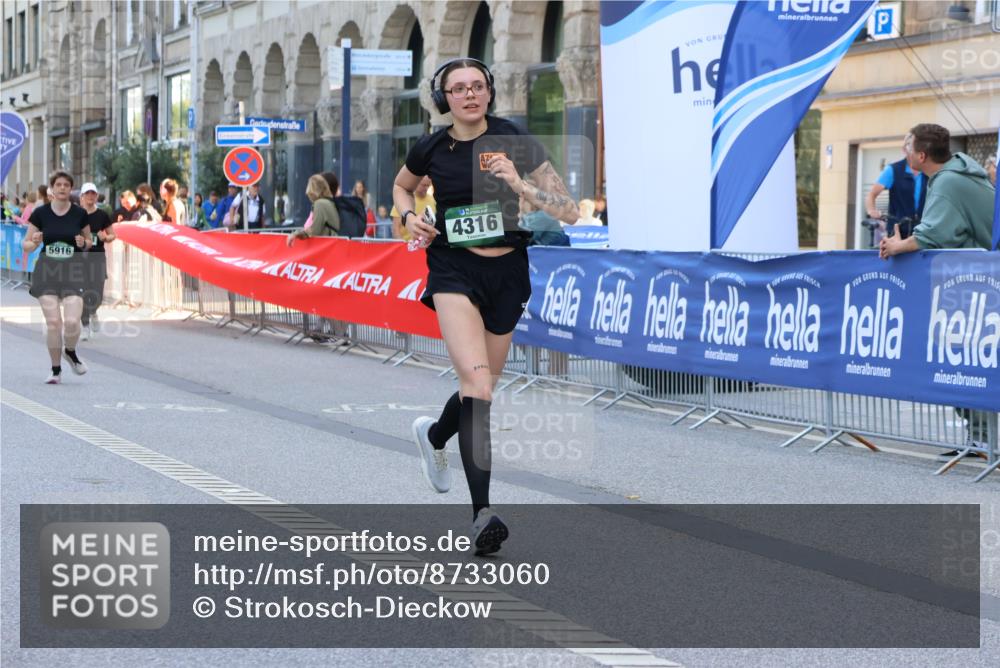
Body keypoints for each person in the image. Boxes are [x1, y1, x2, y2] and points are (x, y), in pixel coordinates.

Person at [394, 57, 578, 555]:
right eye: (458, 89)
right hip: (453, 269)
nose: (469, 95)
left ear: (490, 93)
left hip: (508, 273)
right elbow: (402, 186)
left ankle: (434, 435)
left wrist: (520, 185)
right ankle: (483, 514)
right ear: (444, 98)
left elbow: (570, 211)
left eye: (478, 86)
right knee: (477, 385)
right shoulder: (432, 146)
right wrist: (411, 217)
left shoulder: (515, 139)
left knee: (483, 389)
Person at [879, 123, 995, 460]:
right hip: (972, 282)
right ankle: (980, 438)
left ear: (921, 155)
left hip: (977, 286)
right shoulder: (953, 175)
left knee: (962, 359)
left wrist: (898, 246)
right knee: (964, 359)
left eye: (908, 145)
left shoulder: (947, 182)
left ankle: (983, 438)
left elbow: (933, 234)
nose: (904, 151)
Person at [22, 171, 92, 384]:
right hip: (47, 272)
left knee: (71, 322)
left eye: (66, 185)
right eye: (58, 185)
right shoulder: (40, 214)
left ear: (71, 189)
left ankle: (69, 351)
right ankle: (55, 370)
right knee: (54, 322)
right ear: (52, 189)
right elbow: (25, 246)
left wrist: (83, 243)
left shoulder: (79, 214)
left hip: (73, 272)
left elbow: (89, 241)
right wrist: (34, 242)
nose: (62, 188)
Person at [865, 134, 927, 243]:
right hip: (898, 231)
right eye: (911, 148)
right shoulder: (893, 170)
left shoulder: (927, 170)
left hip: (924, 231)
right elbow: (872, 194)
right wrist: (872, 210)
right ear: (904, 150)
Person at [78, 182, 116, 340]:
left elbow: (113, 234)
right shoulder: (76, 215)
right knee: (83, 292)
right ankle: (85, 326)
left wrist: (106, 237)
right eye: (87, 194)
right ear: (82, 196)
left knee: (97, 293)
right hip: (80, 258)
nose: (91, 197)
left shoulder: (102, 215)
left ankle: (93, 311)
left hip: (97, 257)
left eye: (93, 194)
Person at [287, 174, 340, 246]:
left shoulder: (320, 204)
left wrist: (296, 234)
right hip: (336, 244)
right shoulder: (329, 201)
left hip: (328, 247)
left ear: (312, 191)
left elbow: (315, 230)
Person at [391, 175, 435, 241]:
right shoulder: (403, 200)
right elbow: (395, 228)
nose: (426, 188)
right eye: (423, 185)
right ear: (416, 183)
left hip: (425, 246)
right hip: (406, 245)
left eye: (428, 185)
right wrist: (401, 244)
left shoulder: (432, 200)